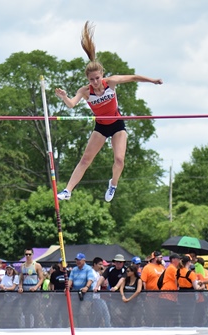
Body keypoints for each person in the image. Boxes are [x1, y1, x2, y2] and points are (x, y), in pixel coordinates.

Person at [55, 21, 163, 202]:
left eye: (97, 78)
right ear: (88, 79)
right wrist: (64, 97)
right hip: (101, 126)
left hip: (117, 125)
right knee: (85, 160)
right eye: (92, 79)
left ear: (102, 75)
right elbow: (72, 105)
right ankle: (67, 190)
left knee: (119, 160)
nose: (95, 82)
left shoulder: (111, 82)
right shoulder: (84, 91)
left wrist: (152, 80)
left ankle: (113, 184)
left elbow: (134, 77)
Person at [68, 253, 96, 327]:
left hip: (87, 293)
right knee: (74, 312)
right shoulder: (74, 269)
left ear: (84, 260)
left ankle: (85, 327)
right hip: (76, 293)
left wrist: (86, 287)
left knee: (83, 312)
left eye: (79, 260)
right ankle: (77, 327)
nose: (77, 261)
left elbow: (90, 279)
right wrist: (67, 287)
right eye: (76, 260)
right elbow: (70, 280)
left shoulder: (88, 269)